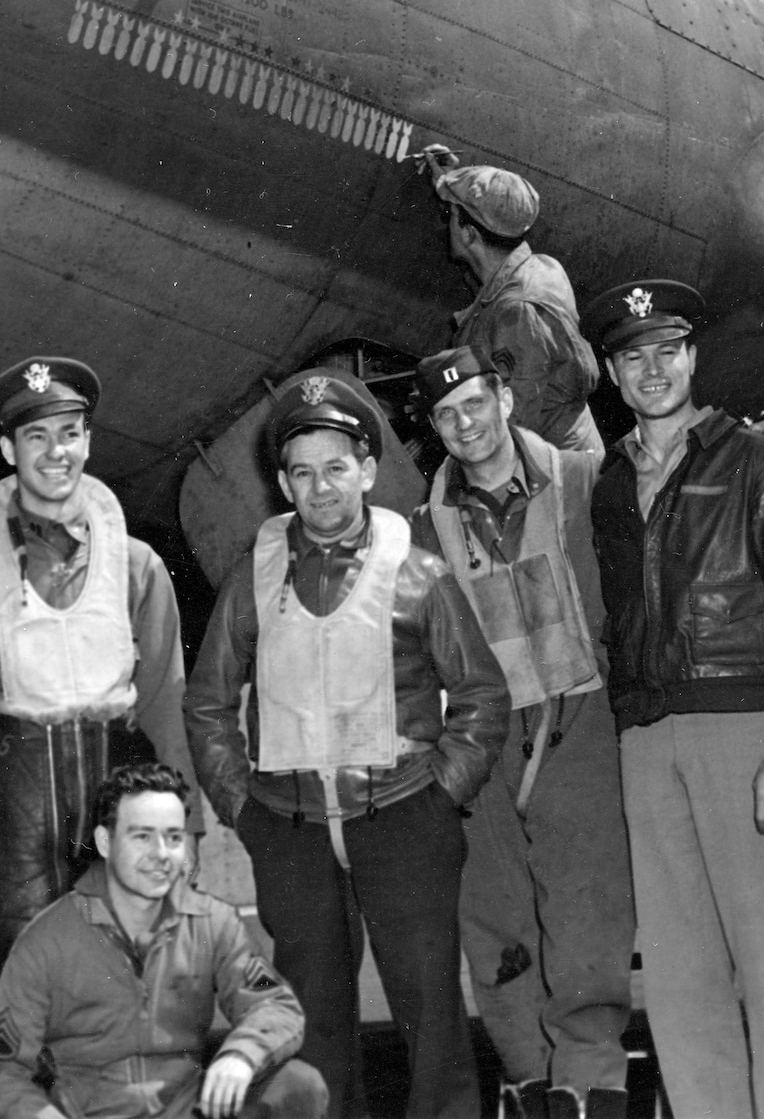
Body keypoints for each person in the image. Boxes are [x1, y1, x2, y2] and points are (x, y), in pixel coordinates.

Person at [186, 369, 509, 1119]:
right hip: (289, 828)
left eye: (336, 468)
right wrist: (246, 809)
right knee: (312, 1023)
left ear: (366, 470)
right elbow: (207, 701)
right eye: (302, 473)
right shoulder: (252, 578)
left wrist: (441, 796)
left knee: (430, 1013)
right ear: (282, 482)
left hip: (402, 818)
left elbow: (481, 694)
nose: (321, 488)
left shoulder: (418, 574)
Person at [584, 280, 764, 1119]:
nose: (651, 370)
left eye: (666, 351)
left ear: (691, 358)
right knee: (682, 983)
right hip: (647, 738)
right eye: (632, 357)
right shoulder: (610, 484)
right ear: (613, 375)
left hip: (741, 729)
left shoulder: (749, 458)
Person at [0, 356, 200, 1026]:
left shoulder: (138, 566)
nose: (55, 453)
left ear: (88, 441)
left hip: (120, 782)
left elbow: (165, 698)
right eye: (35, 437)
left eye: (68, 433)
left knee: (137, 974)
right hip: (9, 795)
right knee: (11, 976)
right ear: (9, 449)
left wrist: (187, 824)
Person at [408, 346, 634, 1119]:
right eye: (446, 414)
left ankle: (591, 1081)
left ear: (504, 398)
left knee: (587, 908)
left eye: (475, 403)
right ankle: (533, 1083)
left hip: (578, 715)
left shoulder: (582, 480)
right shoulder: (422, 531)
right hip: (482, 736)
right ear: (434, 427)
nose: (465, 424)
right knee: (494, 915)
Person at [0, 762, 327, 1119]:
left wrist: (242, 1055)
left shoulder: (210, 922)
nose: (161, 853)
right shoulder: (47, 939)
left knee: (297, 1085)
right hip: (88, 1112)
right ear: (105, 842)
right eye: (142, 836)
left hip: (186, 1107)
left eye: (173, 837)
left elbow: (275, 1006)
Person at [428, 157, 603, 455]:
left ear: (469, 234)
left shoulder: (520, 312)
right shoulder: (540, 267)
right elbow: (491, 288)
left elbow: (516, 424)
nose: (448, 225)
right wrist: (449, 181)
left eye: (450, 216)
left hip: (554, 476)